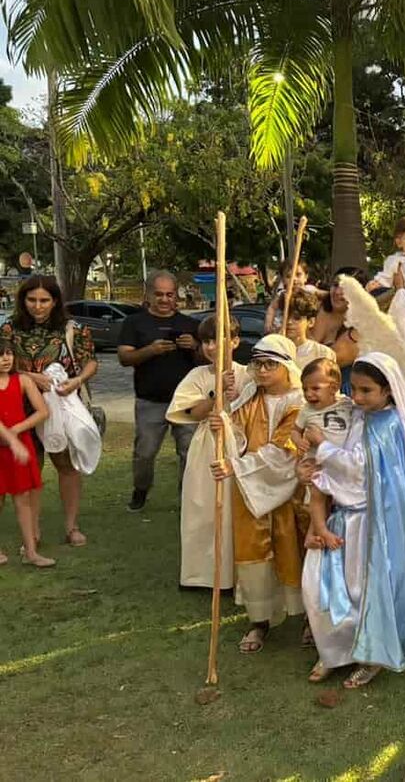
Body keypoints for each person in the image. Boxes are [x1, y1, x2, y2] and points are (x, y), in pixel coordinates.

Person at [300, 352, 405, 688]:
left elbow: (359, 469)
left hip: (371, 524)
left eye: (367, 391)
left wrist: (322, 449)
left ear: (387, 391)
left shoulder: (389, 424)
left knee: (362, 591)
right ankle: (335, 651)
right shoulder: (358, 416)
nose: (358, 397)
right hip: (344, 517)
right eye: (355, 388)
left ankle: (373, 654)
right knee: (322, 588)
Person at [209, 334, 306, 655]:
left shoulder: (299, 403)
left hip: (290, 492)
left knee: (298, 550)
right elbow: (237, 435)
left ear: (286, 368)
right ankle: (259, 620)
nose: (262, 371)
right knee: (254, 554)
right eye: (257, 364)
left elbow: (284, 451)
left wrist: (237, 468)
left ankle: (308, 617)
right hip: (251, 495)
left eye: (270, 365)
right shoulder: (250, 397)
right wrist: (222, 422)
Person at [0, 275, 98, 547]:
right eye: (32, 300)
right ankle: (32, 534)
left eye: (44, 300)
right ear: (23, 300)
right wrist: (30, 376)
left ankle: (71, 527)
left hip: (61, 407)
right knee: (31, 469)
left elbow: (90, 361)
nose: (38, 306)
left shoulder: (72, 328)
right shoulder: (8, 328)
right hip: (20, 409)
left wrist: (77, 381)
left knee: (66, 465)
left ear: (55, 301)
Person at [167, 315, 248, 589]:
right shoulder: (197, 376)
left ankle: (236, 574)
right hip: (206, 449)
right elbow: (186, 412)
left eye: (220, 339)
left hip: (239, 448)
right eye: (207, 341)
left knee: (235, 509)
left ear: (235, 341)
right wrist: (215, 395)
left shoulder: (248, 374)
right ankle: (202, 574)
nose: (212, 347)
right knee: (203, 508)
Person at [117, 270, 200, 513]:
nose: (165, 300)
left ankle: (187, 499)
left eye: (170, 294)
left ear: (177, 296)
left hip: (186, 401)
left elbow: (209, 357)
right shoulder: (134, 323)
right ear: (148, 295)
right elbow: (124, 357)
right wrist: (150, 351)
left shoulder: (190, 324)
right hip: (150, 400)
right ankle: (140, 490)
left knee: (189, 453)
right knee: (145, 453)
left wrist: (194, 346)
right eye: (159, 294)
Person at [291, 357, 354, 552]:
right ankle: (318, 532)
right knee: (318, 496)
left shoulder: (347, 404)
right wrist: (299, 441)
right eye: (305, 389)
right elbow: (294, 431)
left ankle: (315, 533)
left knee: (332, 498)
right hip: (317, 461)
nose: (309, 394)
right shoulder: (306, 411)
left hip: (340, 459)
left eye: (315, 388)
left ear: (334, 387)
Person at [0, 336, 52, 567]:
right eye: (1, 354)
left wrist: (17, 430)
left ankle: (30, 551)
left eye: (9, 353)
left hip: (20, 445)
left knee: (23, 500)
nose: (5, 359)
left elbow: (42, 411)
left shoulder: (22, 380)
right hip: (7, 446)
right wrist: (12, 439)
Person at [311, 267, 367, 348]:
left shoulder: (360, 327)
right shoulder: (315, 308)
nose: (337, 292)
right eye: (335, 285)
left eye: (345, 288)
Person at [283, 289, 337, 369]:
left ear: (311, 322)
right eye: (286, 316)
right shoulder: (271, 350)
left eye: (297, 318)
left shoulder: (323, 354)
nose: (289, 322)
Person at [264, 259, 315, 334]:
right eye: (288, 276)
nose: (294, 279)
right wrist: (268, 323)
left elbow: (325, 295)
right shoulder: (282, 294)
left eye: (298, 274)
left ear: (306, 277)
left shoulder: (309, 290)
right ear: (283, 279)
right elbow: (272, 308)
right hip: (281, 329)